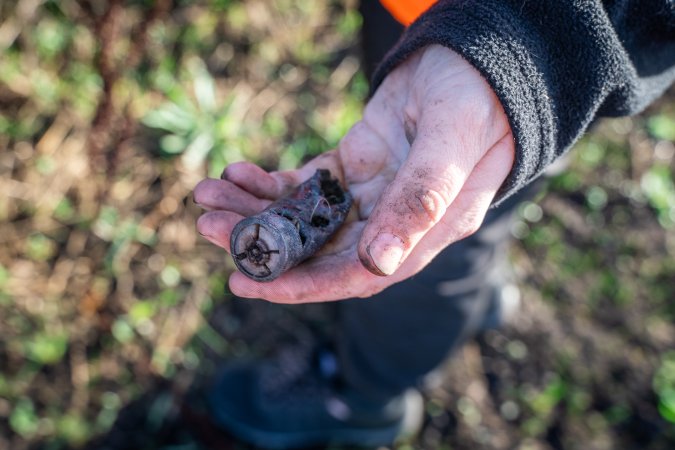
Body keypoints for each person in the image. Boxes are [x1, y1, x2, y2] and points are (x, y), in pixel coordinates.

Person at [193, 0, 675, 448]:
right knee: (463, 177)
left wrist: (532, 41)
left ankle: (363, 395)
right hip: (424, 16)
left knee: (428, 243)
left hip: (547, 50)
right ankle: (478, 289)